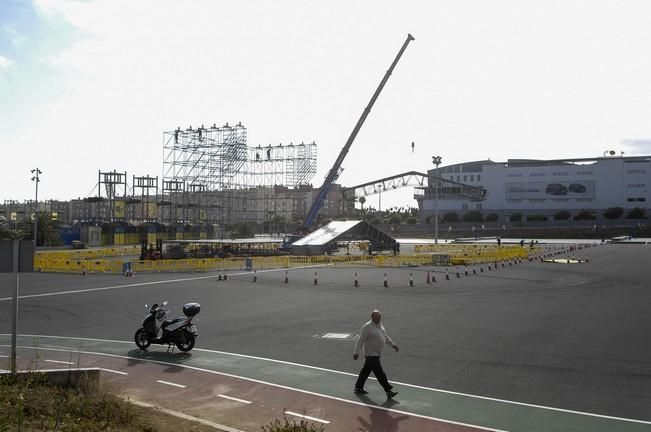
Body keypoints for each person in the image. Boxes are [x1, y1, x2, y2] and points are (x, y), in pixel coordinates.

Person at [353, 310, 399, 399]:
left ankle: (358, 387)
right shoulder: (366, 327)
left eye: (380, 317)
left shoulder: (380, 325)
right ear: (372, 317)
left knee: (365, 371)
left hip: (377, 353)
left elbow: (385, 337)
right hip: (370, 354)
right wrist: (356, 352)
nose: (378, 319)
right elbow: (360, 340)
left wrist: (393, 345)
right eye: (377, 317)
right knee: (379, 372)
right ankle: (388, 390)